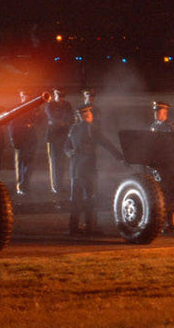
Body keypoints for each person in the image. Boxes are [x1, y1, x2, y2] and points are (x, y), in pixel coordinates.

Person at [64, 104, 124, 235]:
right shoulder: (91, 128)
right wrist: (119, 156)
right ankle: (90, 227)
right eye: (90, 114)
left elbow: (66, 148)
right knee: (90, 197)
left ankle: (73, 227)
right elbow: (106, 143)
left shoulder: (73, 129)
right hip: (87, 168)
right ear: (88, 116)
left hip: (74, 169)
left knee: (75, 199)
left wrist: (72, 153)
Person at [149, 100, 174, 231]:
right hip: (156, 165)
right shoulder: (153, 126)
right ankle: (160, 222)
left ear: (165, 113)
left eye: (159, 112)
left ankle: (171, 223)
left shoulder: (171, 127)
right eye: (155, 112)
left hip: (168, 165)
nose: (156, 114)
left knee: (168, 193)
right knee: (158, 194)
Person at [43, 88, 75, 195]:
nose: (61, 99)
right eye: (59, 96)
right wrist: (62, 123)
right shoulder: (50, 105)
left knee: (62, 162)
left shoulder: (67, 105)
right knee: (55, 162)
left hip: (64, 136)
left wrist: (63, 123)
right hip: (53, 137)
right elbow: (52, 118)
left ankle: (60, 185)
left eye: (62, 97)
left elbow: (71, 118)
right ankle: (55, 186)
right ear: (55, 95)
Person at [8, 89, 39, 196]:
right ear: (21, 97)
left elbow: (39, 121)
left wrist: (36, 111)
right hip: (21, 140)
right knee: (21, 164)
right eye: (24, 96)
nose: (26, 98)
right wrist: (13, 139)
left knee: (30, 165)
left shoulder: (33, 108)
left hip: (31, 140)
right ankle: (21, 186)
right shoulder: (18, 108)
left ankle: (26, 185)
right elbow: (12, 125)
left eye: (28, 95)